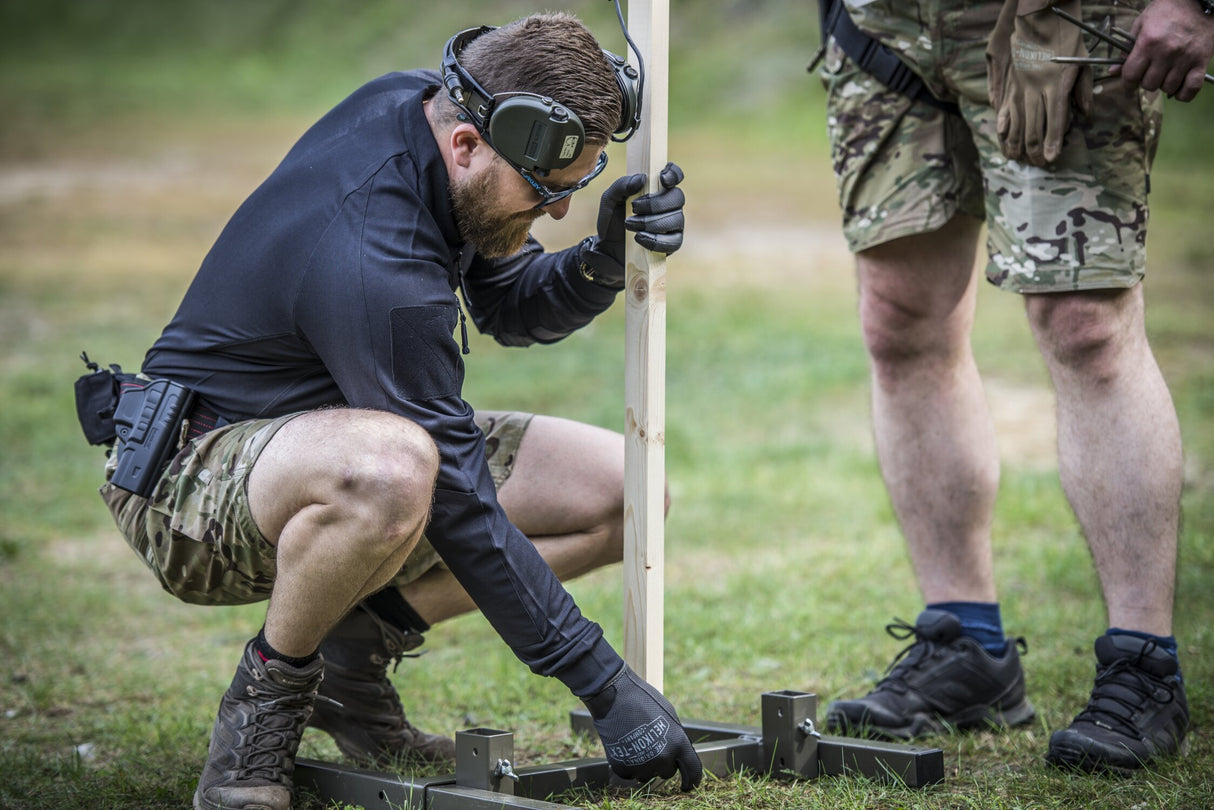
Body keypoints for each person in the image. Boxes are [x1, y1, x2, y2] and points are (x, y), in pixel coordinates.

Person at [91, 13, 703, 810]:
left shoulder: (436, 118)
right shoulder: (375, 255)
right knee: (398, 469)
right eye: (549, 190)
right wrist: (604, 684)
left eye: (575, 188)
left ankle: (356, 647)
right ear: (467, 147)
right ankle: (258, 726)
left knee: (630, 494)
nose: (557, 212)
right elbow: (451, 491)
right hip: (189, 484)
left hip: (357, 440)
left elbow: (509, 307)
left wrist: (601, 261)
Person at [813, 0, 1213, 773]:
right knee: (898, 321)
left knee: (1085, 323)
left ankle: (1144, 667)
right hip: (882, 24)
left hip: (1060, 17)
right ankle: (966, 646)